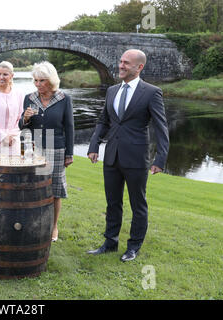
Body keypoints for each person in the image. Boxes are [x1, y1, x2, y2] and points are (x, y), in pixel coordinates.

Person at [87, 49, 169, 262]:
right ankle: (110, 243)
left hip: (136, 158)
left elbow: (161, 128)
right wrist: (94, 144)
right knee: (112, 203)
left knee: (137, 204)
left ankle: (133, 247)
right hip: (111, 155)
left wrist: (160, 158)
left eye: (126, 63)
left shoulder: (152, 92)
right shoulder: (112, 90)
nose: (121, 65)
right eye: (121, 61)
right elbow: (103, 121)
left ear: (139, 67)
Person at [19, 61, 74, 242]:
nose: (38, 84)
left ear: (51, 80)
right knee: (34, 188)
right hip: (34, 150)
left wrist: (69, 154)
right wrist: (25, 119)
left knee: (55, 190)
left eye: (42, 80)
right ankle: (35, 223)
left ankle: (53, 227)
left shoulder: (64, 99)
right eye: (35, 80)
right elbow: (22, 127)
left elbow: (69, 127)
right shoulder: (29, 98)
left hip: (56, 149)